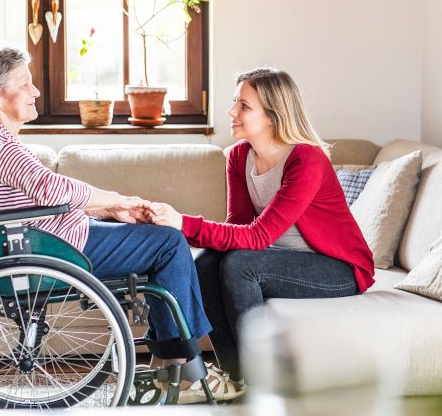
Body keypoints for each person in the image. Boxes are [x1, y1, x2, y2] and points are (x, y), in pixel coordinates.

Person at [0, 47, 239, 403]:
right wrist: (116, 200)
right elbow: (52, 188)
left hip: (46, 240)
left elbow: (41, 202)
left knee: (161, 240)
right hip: (50, 249)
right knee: (168, 242)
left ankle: (168, 369)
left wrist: (106, 211)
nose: (36, 92)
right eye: (25, 84)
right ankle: (184, 370)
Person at [149, 67, 376, 390]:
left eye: (244, 106)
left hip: (338, 270)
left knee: (242, 265)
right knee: (207, 263)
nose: (232, 112)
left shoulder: (307, 160)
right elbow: (239, 228)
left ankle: (260, 381)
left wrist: (182, 223)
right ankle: (236, 376)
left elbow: (258, 237)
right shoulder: (239, 156)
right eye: (235, 103)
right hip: (279, 259)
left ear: (272, 116)